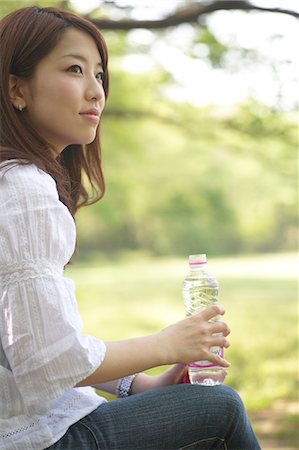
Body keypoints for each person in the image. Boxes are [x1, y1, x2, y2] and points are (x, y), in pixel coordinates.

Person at [0, 6, 261, 450]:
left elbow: (31, 342)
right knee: (221, 409)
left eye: (100, 75)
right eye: (74, 69)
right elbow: (49, 362)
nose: (95, 92)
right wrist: (166, 344)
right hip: (36, 438)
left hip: (37, 421)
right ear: (17, 88)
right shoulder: (22, 187)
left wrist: (142, 386)